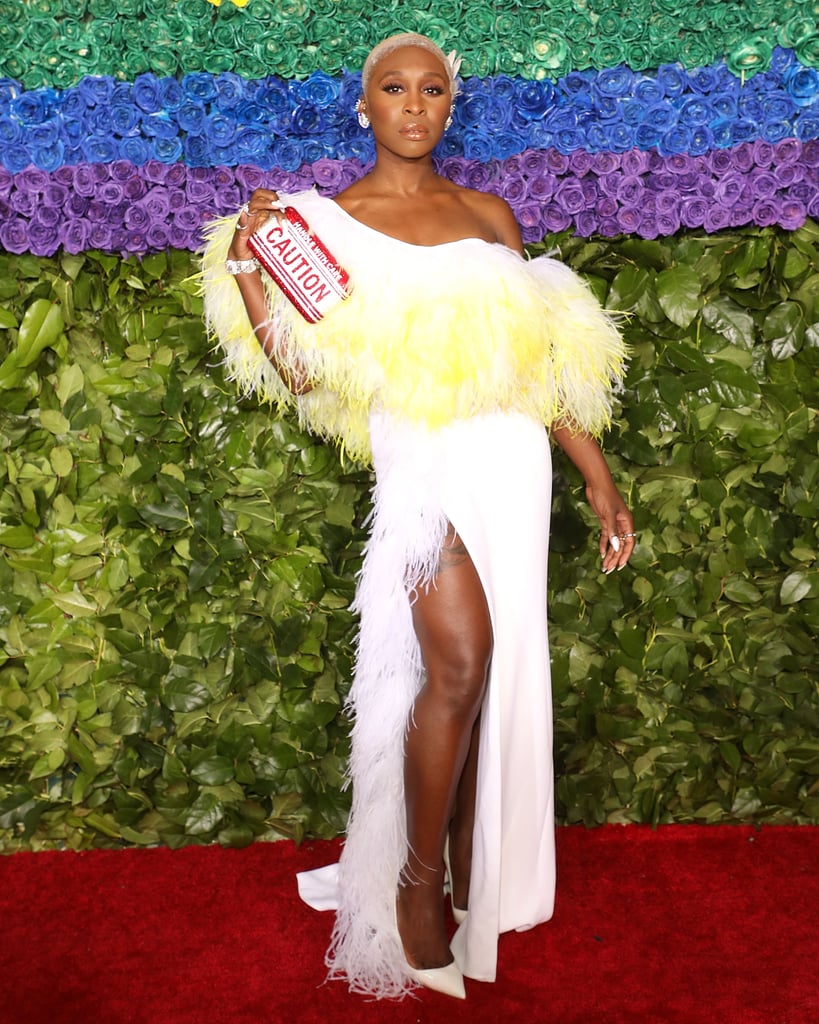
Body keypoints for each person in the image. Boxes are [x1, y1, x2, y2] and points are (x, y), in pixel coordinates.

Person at [202, 32, 635, 1000]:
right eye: (392, 88)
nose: (412, 103)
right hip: (423, 465)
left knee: (496, 669)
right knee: (460, 662)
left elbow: (534, 367)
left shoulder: (489, 215)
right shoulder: (327, 224)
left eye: (432, 89)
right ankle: (414, 881)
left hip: (511, 459)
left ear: (450, 106)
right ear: (363, 105)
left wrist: (598, 477)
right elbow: (308, 373)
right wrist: (246, 270)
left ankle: (479, 865)